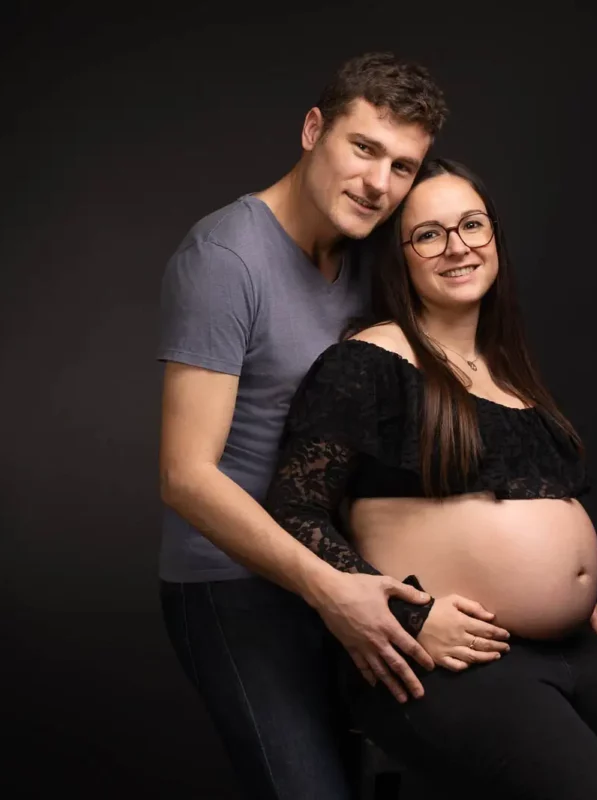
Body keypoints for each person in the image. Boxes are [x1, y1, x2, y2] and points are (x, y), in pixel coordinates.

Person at [264, 158, 597, 799]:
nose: (457, 246)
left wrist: (559, 586)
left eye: (472, 225)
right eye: (429, 234)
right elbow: (295, 512)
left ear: (494, 238)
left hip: (573, 649)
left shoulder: (507, 373)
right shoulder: (367, 362)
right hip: (452, 659)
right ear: (398, 257)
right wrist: (407, 616)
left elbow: (529, 502)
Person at [156, 54, 505, 800]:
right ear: (315, 130)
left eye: (403, 166)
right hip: (236, 586)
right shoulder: (225, 258)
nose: (380, 183)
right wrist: (331, 589)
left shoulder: (369, 255)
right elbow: (186, 477)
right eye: (364, 148)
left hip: (344, 573)